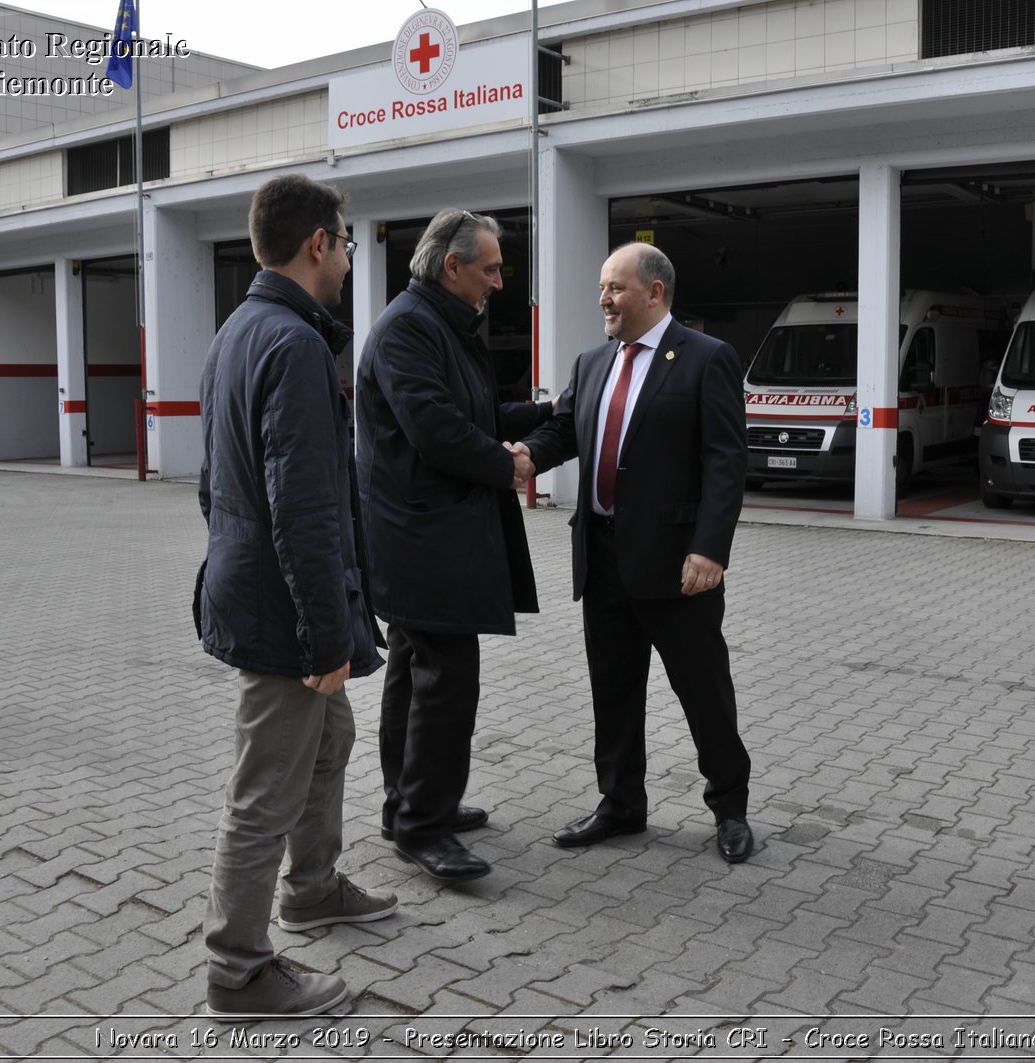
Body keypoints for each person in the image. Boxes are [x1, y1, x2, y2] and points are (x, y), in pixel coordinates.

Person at [195, 174, 392, 1021]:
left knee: (333, 732)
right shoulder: (296, 345)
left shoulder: (237, 330)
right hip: (286, 610)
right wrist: (322, 640)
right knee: (265, 788)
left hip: (255, 587)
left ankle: (312, 887)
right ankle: (237, 970)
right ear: (318, 243)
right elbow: (305, 511)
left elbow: (212, 485)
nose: (349, 258)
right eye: (346, 243)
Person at [512, 241, 755, 864]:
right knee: (613, 690)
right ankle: (620, 804)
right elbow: (566, 428)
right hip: (603, 556)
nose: (604, 299)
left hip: (679, 565)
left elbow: (725, 460)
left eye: (616, 288)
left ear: (656, 292)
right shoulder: (594, 362)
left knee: (703, 690)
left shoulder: (707, 359)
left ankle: (729, 807)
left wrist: (710, 548)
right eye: (601, 287)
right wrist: (528, 458)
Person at [356, 209, 550, 883]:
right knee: (445, 683)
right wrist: (510, 466)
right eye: (492, 268)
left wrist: (549, 415)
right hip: (422, 541)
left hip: (427, 538)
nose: (500, 281)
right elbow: (435, 429)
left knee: (414, 673)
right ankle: (423, 826)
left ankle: (404, 804)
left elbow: (479, 416)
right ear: (453, 266)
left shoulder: (440, 323)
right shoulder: (410, 328)